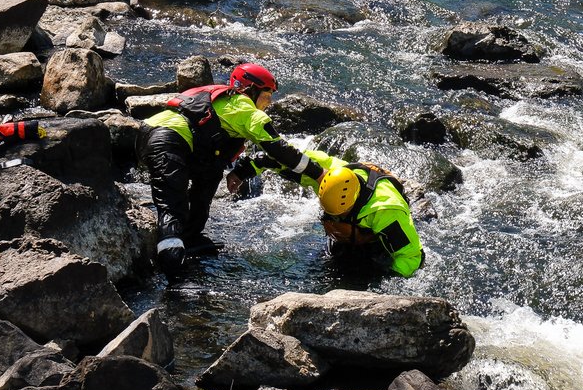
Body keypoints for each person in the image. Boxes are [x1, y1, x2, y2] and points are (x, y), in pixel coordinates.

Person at [138, 62, 317, 280]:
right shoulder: (243, 106)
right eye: (267, 95)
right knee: (172, 206)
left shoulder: (227, 102)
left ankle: (190, 238)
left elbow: (247, 157)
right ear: (251, 89)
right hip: (169, 140)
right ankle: (175, 275)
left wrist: (240, 173)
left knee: (212, 173)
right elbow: (279, 150)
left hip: (154, 134)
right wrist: (319, 173)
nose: (269, 103)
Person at [229, 148, 424, 278]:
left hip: (375, 235)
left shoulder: (386, 211)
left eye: (340, 214)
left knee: (369, 270)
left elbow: (412, 257)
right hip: (355, 222)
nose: (334, 220)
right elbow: (278, 156)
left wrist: (387, 286)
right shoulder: (325, 174)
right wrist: (244, 170)